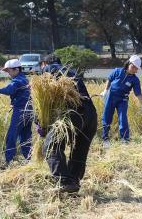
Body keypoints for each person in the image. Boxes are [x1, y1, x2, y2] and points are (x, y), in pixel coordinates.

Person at [37, 54, 97, 193]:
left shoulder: (50, 68)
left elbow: (41, 99)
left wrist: (40, 124)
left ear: (45, 63)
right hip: (90, 114)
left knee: (51, 145)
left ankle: (63, 181)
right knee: (79, 150)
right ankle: (73, 182)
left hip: (73, 113)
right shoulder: (71, 72)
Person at [0, 59, 32, 164]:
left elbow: (9, 90)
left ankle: (9, 160)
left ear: (16, 69)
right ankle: (28, 158)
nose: (8, 74)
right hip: (30, 110)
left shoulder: (18, 81)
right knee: (25, 136)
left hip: (20, 111)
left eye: (9, 71)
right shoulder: (25, 79)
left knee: (12, 135)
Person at [100, 55, 142, 148]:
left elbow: (138, 93)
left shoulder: (135, 79)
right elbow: (109, 79)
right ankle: (105, 139)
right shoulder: (117, 71)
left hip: (123, 99)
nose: (135, 69)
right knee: (106, 117)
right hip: (111, 97)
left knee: (123, 119)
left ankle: (124, 140)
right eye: (134, 67)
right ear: (129, 64)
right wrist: (105, 90)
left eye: (136, 68)